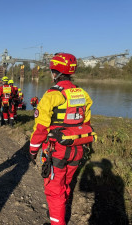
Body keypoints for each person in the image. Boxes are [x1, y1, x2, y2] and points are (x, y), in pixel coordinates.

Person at [29, 53, 95, 225]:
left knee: (54, 190)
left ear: (55, 72)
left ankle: (57, 220)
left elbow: (41, 128)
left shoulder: (52, 95)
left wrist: (33, 150)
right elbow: (86, 121)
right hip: (77, 148)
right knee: (65, 183)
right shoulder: (82, 93)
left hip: (56, 150)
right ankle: (58, 212)